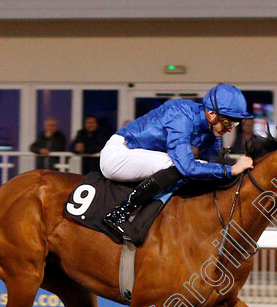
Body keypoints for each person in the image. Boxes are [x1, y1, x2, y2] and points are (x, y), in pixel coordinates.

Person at [99, 84, 255, 238]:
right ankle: (118, 214)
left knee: (201, 168)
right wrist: (232, 169)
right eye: (228, 122)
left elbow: (216, 165)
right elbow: (187, 168)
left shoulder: (211, 131)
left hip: (139, 155)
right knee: (177, 166)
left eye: (235, 124)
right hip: (119, 154)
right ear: (212, 114)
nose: (230, 129)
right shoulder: (181, 116)